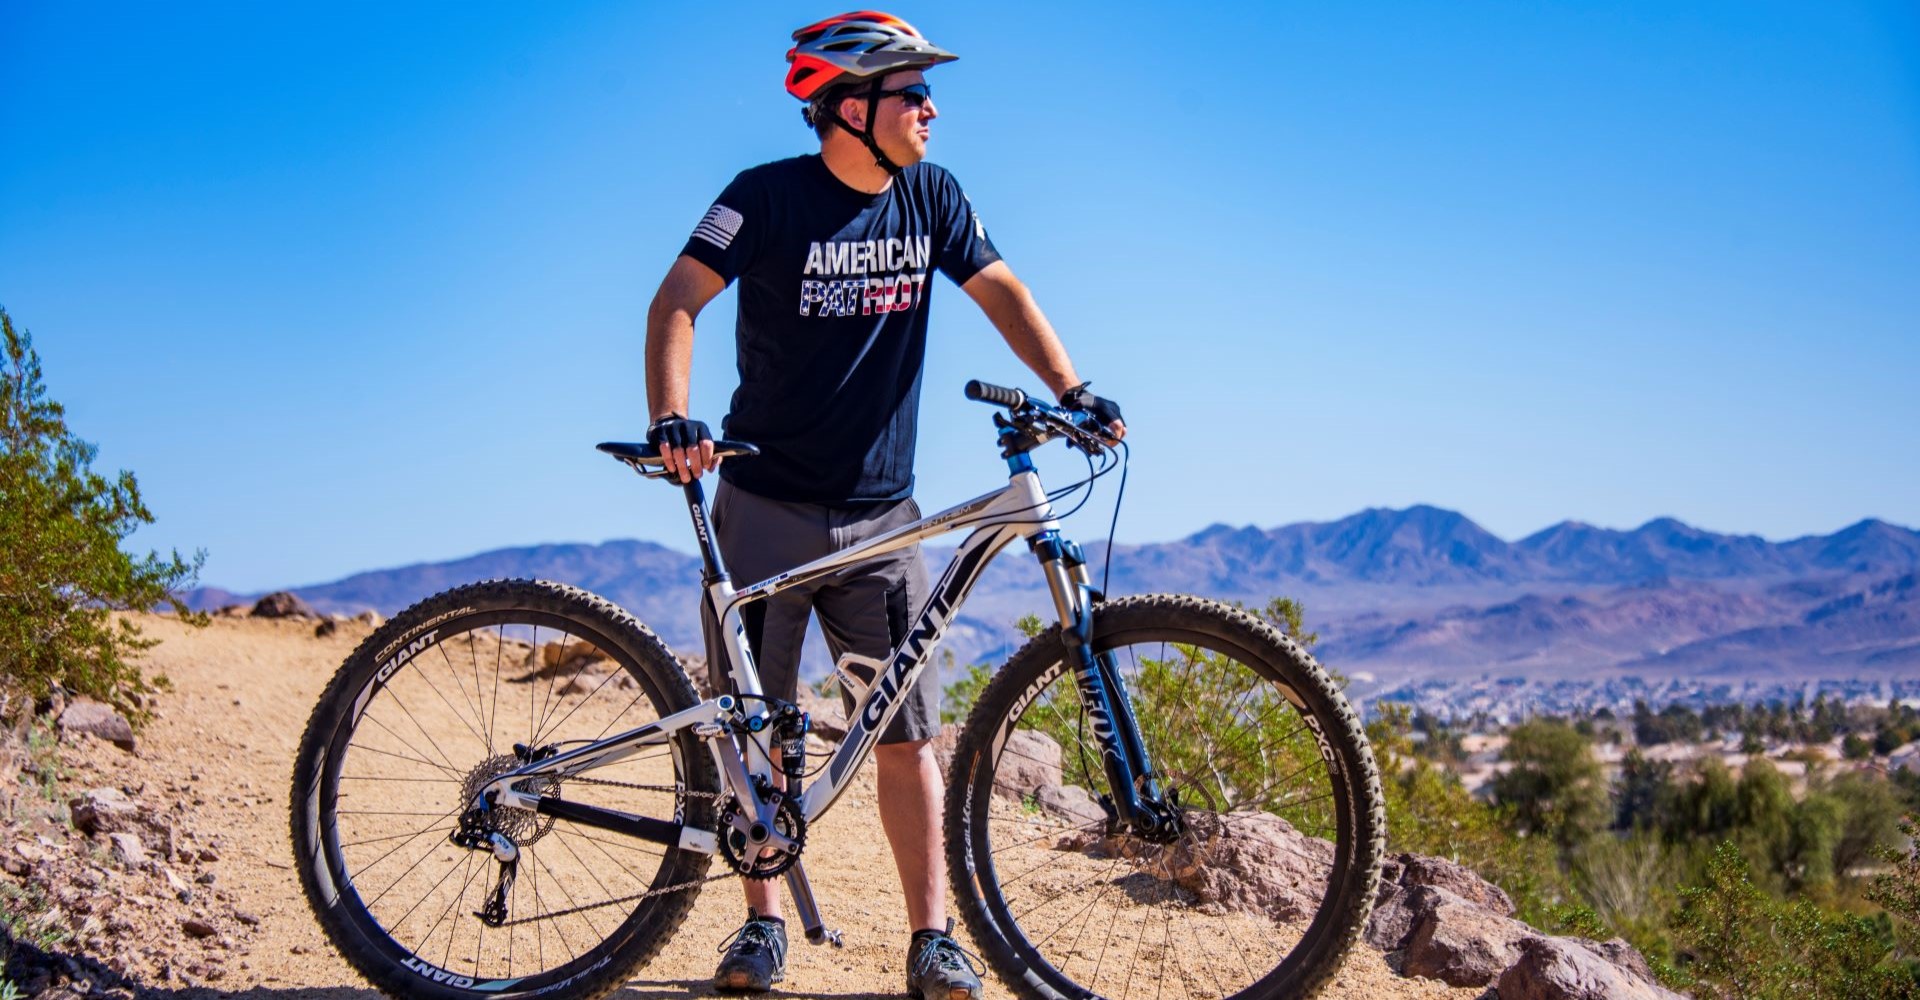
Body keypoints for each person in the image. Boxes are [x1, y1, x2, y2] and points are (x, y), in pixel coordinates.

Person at [642, 12, 1125, 999]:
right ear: (849, 108)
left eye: (926, 92)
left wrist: (1074, 390)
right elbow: (677, 300)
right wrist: (673, 417)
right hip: (765, 506)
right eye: (911, 93)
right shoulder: (764, 197)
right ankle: (762, 929)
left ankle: (933, 939)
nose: (930, 109)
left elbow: (1000, 289)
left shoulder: (932, 195)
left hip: (884, 521)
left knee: (905, 737)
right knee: (755, 732)